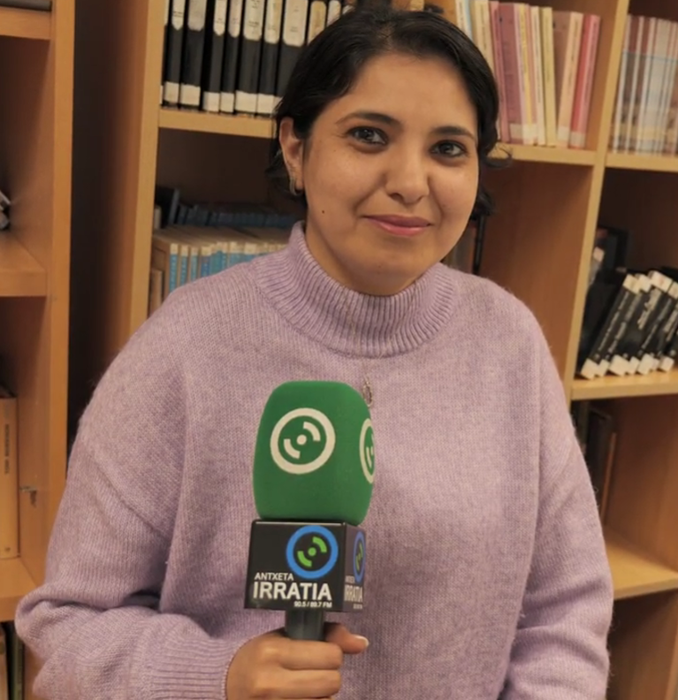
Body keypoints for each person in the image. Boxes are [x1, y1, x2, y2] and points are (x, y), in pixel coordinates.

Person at [15, 5, 614, 699]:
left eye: (448, 148)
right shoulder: (184, 346)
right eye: (368, 135)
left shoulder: (510, 342)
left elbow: (566, 611)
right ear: (295, 149)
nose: (411, 182)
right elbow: (70, 627)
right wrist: (218, 677)